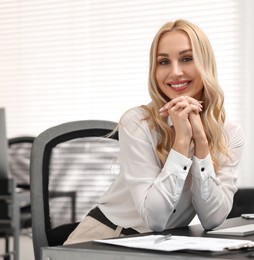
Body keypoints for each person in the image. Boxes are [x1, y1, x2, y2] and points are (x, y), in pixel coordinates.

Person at [64, 19, 244, 245]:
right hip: (105, 238)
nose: (175, 72)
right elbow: (155, 218)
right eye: (164, 62)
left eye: (187, 58)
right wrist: (182, 140)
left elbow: (213, 218)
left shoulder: (230, 134)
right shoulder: (137, 122)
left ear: (205, 63)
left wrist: (201, 142)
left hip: (159, 244)